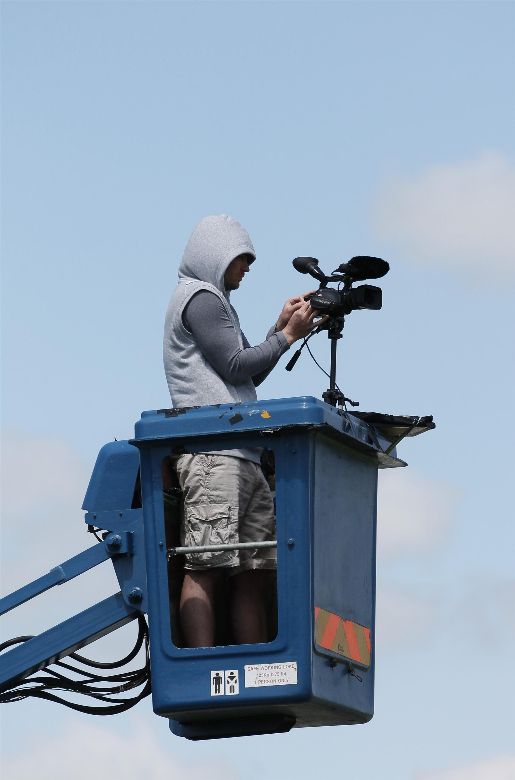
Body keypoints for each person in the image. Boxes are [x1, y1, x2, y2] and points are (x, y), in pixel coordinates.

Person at [163, 214, 324, 648]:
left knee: (254, 574)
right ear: (216, 255)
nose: (248, 267)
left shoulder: (216, 301)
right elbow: (236, 365)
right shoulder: (200, 298)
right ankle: (200, 668)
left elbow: (244, 378)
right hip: (215, 455)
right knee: (207, 566)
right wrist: (287, 336)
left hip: (242, 455)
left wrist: (278, 329)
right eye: (242, 258)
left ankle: (255, 667)